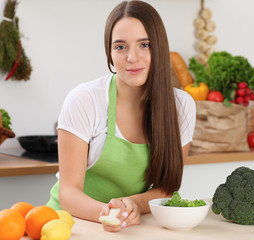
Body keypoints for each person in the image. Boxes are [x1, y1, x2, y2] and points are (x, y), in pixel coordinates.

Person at [46, 0, 196, 232]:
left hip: (131, 226)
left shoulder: (181, 106)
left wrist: (133, 204)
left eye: (144, 44)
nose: (132, 58)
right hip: (69, 226)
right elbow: (68, 193)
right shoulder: (85, 100)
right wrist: (108, 213)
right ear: (109, 53)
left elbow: (168, 187)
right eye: (120, 47)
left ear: (160, 46)